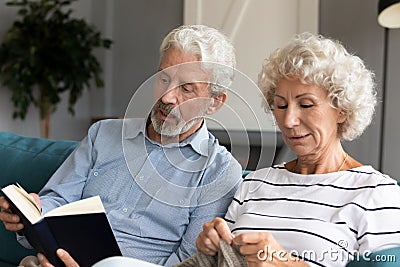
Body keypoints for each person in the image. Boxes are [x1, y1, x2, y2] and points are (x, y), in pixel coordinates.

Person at [0, 25, 242, 266]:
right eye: (163, 79)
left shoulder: (219, 172)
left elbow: (189, 262)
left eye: (186, 89)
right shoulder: (103, 134)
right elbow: (58, 201)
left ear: (214, 103)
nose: (167, 96)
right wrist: (32, 212)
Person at [195, 32, 400, 267]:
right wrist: (212, 246)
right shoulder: (255, 184)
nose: (289, 120)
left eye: (306, 104)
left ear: (342, 109)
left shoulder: (375, 192)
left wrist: (289, 264)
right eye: (280, 105)